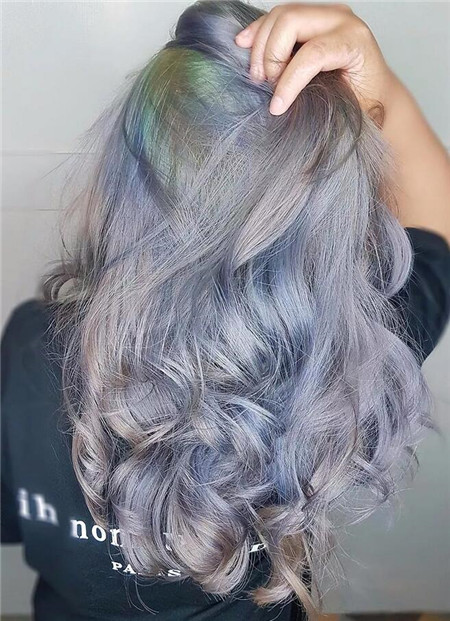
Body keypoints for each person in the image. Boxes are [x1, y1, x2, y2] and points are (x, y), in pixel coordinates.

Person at [1, 2, 449, 620]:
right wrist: (384, 88)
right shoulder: (347, 370)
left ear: (119, 193)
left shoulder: (31, 353)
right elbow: (437, 227)